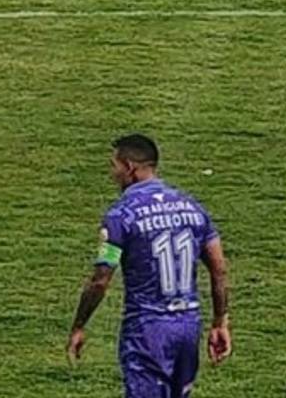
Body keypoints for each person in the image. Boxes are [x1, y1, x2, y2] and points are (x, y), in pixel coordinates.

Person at [67, 134, 231, 397]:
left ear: (129, 167)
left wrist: (79, 325)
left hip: (148, 329)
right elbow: (219, 269)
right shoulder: (192, 208)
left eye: (114, 166)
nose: (112, 174)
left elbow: (100, 280)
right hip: (188, 326)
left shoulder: (121, 215)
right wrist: (220, 321)